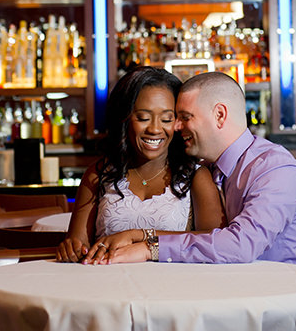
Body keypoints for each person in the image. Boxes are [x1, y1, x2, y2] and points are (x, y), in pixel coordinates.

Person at [96, 71, 296, 266]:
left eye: (185, 118)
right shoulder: (206, 167)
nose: (176, 126)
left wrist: (149, 244)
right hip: (231, 293)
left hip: (281, 295)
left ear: (219, 115)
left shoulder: (274, 168)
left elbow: (241, 245)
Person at [57, 66, 226, 262]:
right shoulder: (99, 174)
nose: (155, 129)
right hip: (109, 286)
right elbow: (78, 245)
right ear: (124, 119)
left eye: (166, 119)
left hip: (174, 288)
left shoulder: (195, 176)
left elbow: (215, 241)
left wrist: (141, 235)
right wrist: (71, 248)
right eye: (143, 118)